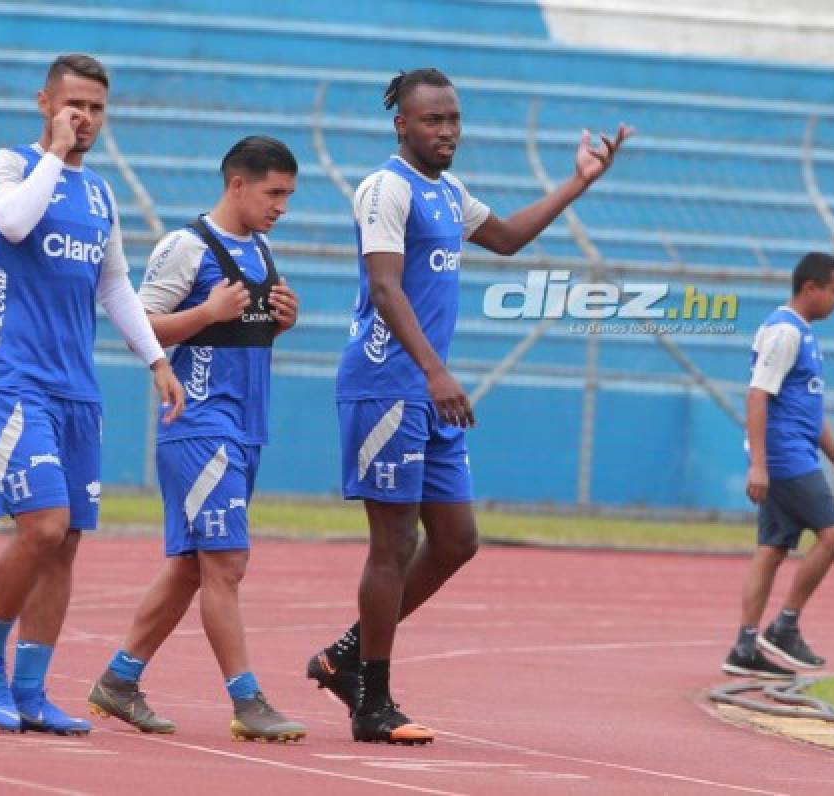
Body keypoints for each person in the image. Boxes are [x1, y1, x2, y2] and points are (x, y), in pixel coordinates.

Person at [306, 68, 631, 744]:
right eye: (433, 120)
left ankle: (345, 657)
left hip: (427, 388)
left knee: (456, 540)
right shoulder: (385, 188)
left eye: (454, 119)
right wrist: (435, 373)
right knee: (393, 544)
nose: (447, 131)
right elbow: (387, 289)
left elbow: (509, 237)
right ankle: (374, 702)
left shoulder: (449, 193)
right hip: (389, 385)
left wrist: (581, 181)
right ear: (402, 125)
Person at [0, 53, 184, 736]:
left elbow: (113, 285)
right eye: (73, 106)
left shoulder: (101, 196)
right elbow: (14, 225)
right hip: (13, 381)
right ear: (45, 104)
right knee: (43, 526)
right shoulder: (8, 166)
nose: (85, 119)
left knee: (67, 545)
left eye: (96, 109)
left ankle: (31, 689)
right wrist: (54, 155)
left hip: (75, 392)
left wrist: (156, 359)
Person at [86, 136, 306, 742]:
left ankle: (119, 681)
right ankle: (248, 700)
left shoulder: (261, 252)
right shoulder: (187, 247)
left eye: (288, 195)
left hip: (246, 427)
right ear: (238, 184)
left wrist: (280, 322)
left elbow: (241, 333)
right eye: (274, 193)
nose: (282, 206)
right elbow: (139, 321)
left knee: (190, 566)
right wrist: (206, 313)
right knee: (227, 563)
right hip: (199, 424)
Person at [722, 252, 834, 679]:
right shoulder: (785, 331)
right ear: (810, 288)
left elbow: (810, 415)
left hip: (793, 450)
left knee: (772, 550)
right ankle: (784, 626)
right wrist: (759, 465)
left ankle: (744, 647)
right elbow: (757, 396)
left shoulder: (804, 334)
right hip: (784, 455)